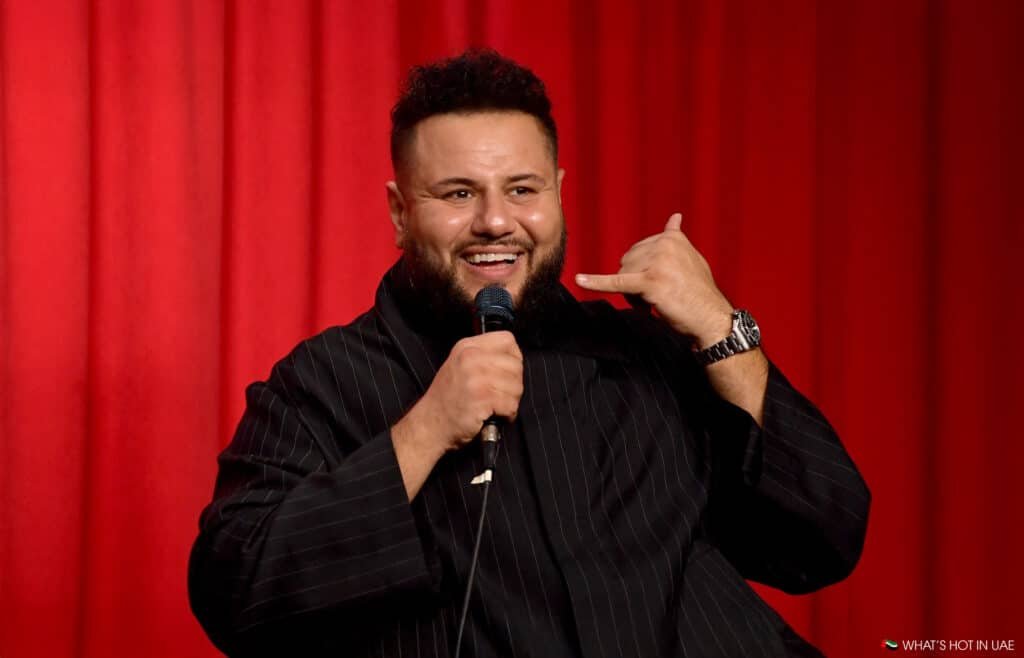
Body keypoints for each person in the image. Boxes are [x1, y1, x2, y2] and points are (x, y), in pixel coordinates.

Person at [188, 49, 870, 658]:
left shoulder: (644, 351)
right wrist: (423, 432)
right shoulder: (321, 384)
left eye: (522, 189)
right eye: (458, 194)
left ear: (558, 194)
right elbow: (235, 599)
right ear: (399, 213)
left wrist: (722, 330)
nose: (495, 221)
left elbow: (824, 540)